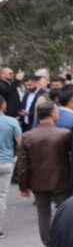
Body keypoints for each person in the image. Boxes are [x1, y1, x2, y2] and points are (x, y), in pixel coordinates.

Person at [16, 101, 73, 247]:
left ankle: (49, 245)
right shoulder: (65, 134)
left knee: (43, 213)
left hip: (38, 181)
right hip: (62, 179)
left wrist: (23, 185)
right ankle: (64, 242)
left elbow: (22, 164)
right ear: (53, 113)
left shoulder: (28, 136)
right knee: (64, 211)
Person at [0, 97, 21, 238]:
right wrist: (16, 158)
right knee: (1, 196)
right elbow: (21, 143)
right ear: (2, 106)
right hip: (6, 162)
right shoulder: (12, 121)